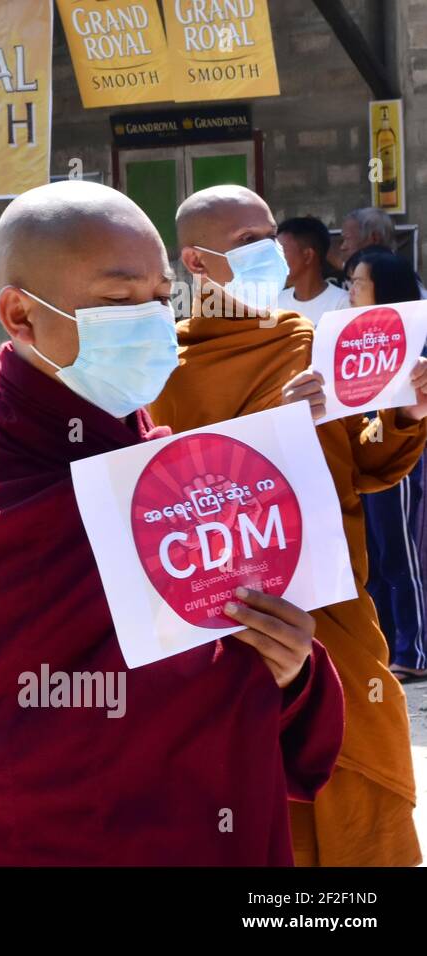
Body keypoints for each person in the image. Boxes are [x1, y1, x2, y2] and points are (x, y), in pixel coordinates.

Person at [0, 181, 344, 865]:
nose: (149, 320)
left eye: (159, 298)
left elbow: (251, 691)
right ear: (21, 317)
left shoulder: (182, 485)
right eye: (117, 301)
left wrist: (291, 672)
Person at [149, 184, 426, 867]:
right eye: (246, 242)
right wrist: (268, 432)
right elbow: (156, 507)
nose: (268, 253)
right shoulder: (163, 373)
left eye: (269, 236)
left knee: (363, 801)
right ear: (197, 261)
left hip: (337, 615)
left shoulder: (313, 344)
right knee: (267, 818)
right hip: (235, 631)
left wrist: (407, 411)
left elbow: (371, 462)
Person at [348, 250, 427, 683]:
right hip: (365, 457)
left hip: (402, 461)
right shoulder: (356, 337)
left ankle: (414, 651)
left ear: (385, 287)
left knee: (402, 556)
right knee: (374, 557)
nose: (352, 291)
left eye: (359, 282)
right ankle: (387, 644)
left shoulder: (414, 338)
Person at [277, 217, 349, 322]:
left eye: (281, 251)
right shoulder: (276, 303)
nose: (275, 259)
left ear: (308, 255)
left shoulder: (342, 303)